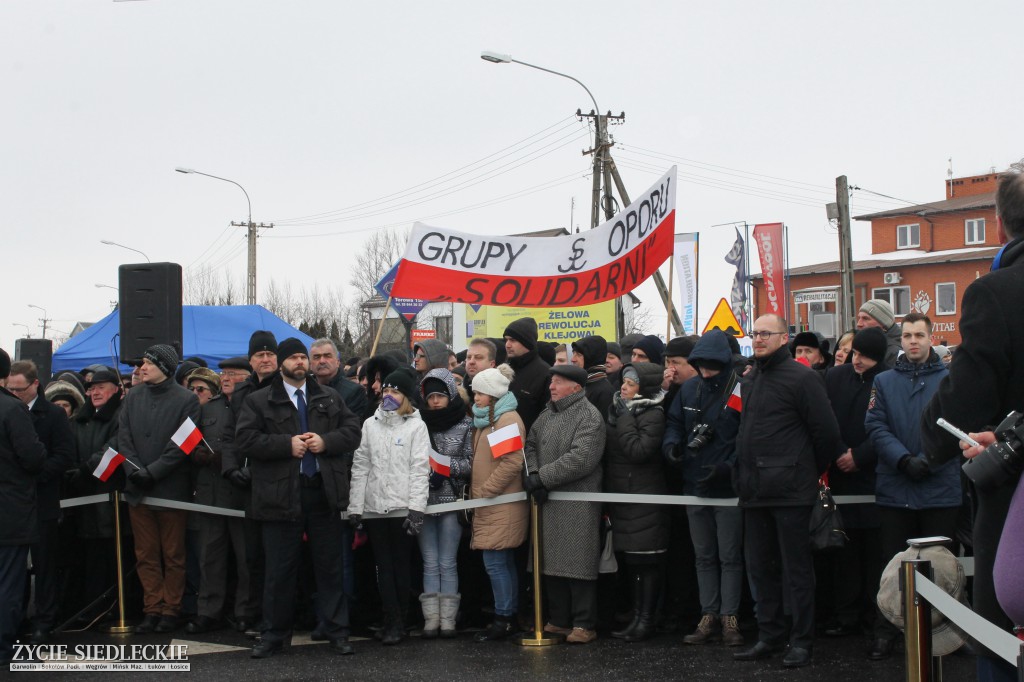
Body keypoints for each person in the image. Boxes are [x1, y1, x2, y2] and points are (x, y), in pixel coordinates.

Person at [921, 162, 1024, 682]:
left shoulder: (997, 293)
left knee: (1001, 642)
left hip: (1014, 506)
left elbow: (954, 410)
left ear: (1001, 228)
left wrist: (1007, 437)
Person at [235, 338, 362, 658]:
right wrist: (285, 445)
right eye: (293, 358)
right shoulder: (259, 400)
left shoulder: (329, 397)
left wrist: (326, 441)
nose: (300, 362)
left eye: (302, 357)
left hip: (323, 493)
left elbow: (352, 431)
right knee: (279, 570)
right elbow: (246, 440)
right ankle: (274, 634)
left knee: (330, 568)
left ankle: (336, 630)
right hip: (280, 496)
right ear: (281, 364)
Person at [732, 315, 841, 669]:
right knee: (760, 568)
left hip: (791, 491)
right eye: (756, 333)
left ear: (783, 338)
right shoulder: (750, 378)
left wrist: (803, 471)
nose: (759, 339)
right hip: (753, 490)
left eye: (766, 333)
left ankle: (801, 641)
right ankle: (770, 635)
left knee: (797, 572)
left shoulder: (802, 377)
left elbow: (826, 434)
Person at [864, 312, 959, 660]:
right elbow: (875, 426)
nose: (914, 341)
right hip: (896, 486)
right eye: (907, 335)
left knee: (943, 567)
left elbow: (959, 425)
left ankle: (945, 633)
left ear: (931, 337)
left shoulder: (951, 379)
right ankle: (886, 631)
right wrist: (903, 460)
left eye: (920, 334)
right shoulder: (884, 382)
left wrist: (931, 459)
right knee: (892, 566)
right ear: (901, 340)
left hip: (940, 486)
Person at [663, 331, 744, 647]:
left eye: (712, 366)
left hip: (727, 487)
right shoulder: (690, 388)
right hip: (694, 483)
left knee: (730, 555)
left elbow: (746, 434)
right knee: (704, 555)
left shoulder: (738, 390)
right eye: (703, 366)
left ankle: (731, 617)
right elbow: (673, 423)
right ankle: (708, 614)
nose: (707, 371)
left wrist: (729, 467)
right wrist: (670, 446)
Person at [118, 344, 201, 634]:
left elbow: (184, 444)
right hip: (138, 490)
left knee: (174, 555)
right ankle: (152, 608)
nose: (141, 368)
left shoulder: (188, 400)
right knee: (146, 554)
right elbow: (123, 437)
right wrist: (134, 469)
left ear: (164, 368)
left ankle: (171, 609)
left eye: (147, 363)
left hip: (171, 490)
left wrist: (153, 472)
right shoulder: (132, 396)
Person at [347, 367, 430, 645]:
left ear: (405, 396)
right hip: (374, 507)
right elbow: (361, 465)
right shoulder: (370, 424)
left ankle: (401, 620)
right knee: (382, 566)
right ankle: (389, 617)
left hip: (401, 507)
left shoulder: (416, 426)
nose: (388, 395)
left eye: (395, 391)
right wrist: (356, 506)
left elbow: (420, 469)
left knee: (400, 565)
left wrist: (416, 509)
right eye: (386, 390)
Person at [523, 365, 605, 644]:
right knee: (549, 562)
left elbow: (581, 458)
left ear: (576, 387)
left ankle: (584, 623)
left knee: (578, 563)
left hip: (577, 502)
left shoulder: (589, 416)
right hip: (547, 500)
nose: (552, 387)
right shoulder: (546, 415)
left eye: (559, 382)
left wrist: (542, 478)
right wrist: (533, 475)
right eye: (552, 382)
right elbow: (530, 445)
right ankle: (559, 619)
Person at [821, 327, 886, 640]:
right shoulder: (835, 378)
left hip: (874, 478)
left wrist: (860, 456)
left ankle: (875, 616)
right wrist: (838, 453)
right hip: (841, 477)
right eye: (855, 353)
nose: (857, 360)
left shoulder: (886, 380)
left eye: (865, 356)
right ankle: (846, 615)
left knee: (875, 555)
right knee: (844, 552)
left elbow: (888, 426)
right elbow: (824, 418)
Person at [6, 361, 74, 644]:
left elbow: (64, 455)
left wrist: (35, 476)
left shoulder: (54, 415)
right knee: (14, 567)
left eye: (19, 389)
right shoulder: (9, 410)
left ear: (35, 385)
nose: (14, 393)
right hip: (13, 503)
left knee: (44, 564)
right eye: (10, 388)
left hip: (41, 498)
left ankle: (44, 619)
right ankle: (15, 618)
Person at [183, 368, 253, 635]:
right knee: (209, 556)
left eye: (233, 373)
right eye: (223, 373)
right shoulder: (207, 408)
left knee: (246, 557)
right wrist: (200, 455)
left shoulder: (252, 403)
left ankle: (245, 612)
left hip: (241, 491)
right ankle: (208, 611)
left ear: (245, 377)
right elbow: (188, 441)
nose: (225, 378)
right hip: (211, 492)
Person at [604, 361, 668, 643]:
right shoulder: (619, 408)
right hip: (623, 495)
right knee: (632, 563)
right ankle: (636, 618)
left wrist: (625, 416)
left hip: (644, 495)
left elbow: (638, 450)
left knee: (647, 562)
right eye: (624, 382)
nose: (624, 388)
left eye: (631, 384)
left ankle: (646, 620)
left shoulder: (653, 413)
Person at [468, 364, 529, 642]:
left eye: (479, 393)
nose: (475, 397)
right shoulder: (488, 418)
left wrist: (486, 491)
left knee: (495, 563)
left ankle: (503, 618)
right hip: (494, 503)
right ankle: (508, 615)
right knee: (501, 561)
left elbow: (512, 463)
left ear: (492, 395)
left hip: (499, 503)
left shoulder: (505, 420)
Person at [65, 368, 127, 623]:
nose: (95, 392)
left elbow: (114, 449)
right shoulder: (80, 419)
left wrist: (85, 472)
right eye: (92, 388)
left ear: (115, 389)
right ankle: (86, 608)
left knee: (109, 559)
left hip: (108, 499)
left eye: (101, 387)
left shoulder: (122, 416)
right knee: (86, 560)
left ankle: (109, 609)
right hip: (82, 502)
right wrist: (73, 473)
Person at [417, 369, 473, 639]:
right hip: (423, 500)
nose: (435, 401)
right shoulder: (418, 423)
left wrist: (446, 468)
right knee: (429, 560)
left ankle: (448, 620)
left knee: (447, 561)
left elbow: (471, 463)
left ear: (450, 395)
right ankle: (431, 619)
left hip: (451, 501)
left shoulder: (465, 424)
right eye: (431, 397)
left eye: (440, 395)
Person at [0, 349, 46, 666]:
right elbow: (32, 456)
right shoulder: (12, 409)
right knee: (7, 584)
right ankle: (3, 649)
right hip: (9, 510)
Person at [503, 317, 550, 433]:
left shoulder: (545, 373)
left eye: (513, 340)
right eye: (506, 340)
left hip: (528, 444)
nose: (507, 345)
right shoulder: (503, 369)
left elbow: (549, 418)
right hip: (501, 442)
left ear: (527, 342)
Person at [571, 335, 614, 418]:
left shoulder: (604, 392)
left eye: (579, 355)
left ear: (591, 357)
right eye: (573, 353)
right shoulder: (581, 385)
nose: (572, 359)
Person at [855, 299, 901, 367]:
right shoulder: (861, 343)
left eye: (866, 318)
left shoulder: (893, 352)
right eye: (859, 318)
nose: (859, 324)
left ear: (883, 323)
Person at [662, 335, 700, 407]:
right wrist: (664, 390)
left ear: (692, 364)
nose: (670, 367)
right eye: (668, 362)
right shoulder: (669, 388)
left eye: (675, 362)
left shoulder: (704, 390)